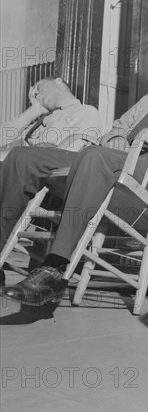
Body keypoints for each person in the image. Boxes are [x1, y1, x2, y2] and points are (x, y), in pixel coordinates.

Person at [1, 34, 148, 305]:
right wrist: (115, 138)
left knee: (96, 156)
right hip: (112, 165)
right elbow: (117, 128)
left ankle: (54, 269)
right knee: (22, 157)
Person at [0, 77, 101, 286]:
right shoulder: (39, 121)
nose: (34, 96)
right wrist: (35, 110)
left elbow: (73, 152)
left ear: (58, 82)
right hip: (26, 179)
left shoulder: (85, 111)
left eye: (37, 89)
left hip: (58, 184)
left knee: (17, 159)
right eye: (31, 96)